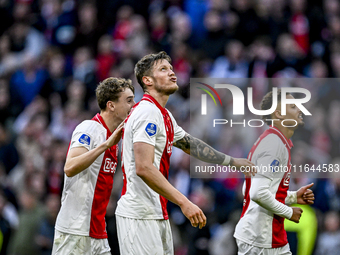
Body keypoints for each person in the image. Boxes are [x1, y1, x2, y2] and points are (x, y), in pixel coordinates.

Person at [115, 51, 255, 254]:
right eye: (163, 69)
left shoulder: (164, 115)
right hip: (139, 213)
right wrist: (184, 202)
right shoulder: (147, 113)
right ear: (148, 80)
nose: (172, 73)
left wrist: (232, 162)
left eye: (171, 68)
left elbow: (192, 145)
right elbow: (143, 167)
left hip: (153, 211)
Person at [52, 77, 135, 255]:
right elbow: (70, 166)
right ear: (111, 105)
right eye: (128, 100)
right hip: (75, 232)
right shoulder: (89, 128)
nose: (133, 105)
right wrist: (104, 145)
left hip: (98, 233)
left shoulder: (114, 140)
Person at [234, 89, 315, 255]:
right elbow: (257, 192)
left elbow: (249, 189)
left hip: (268, 238)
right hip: (259, 240)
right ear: (278, 114)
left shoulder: (274, 141)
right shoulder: (274, 145)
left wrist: (292, 197)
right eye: (293, 106)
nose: (300, 109)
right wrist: (289, 211)